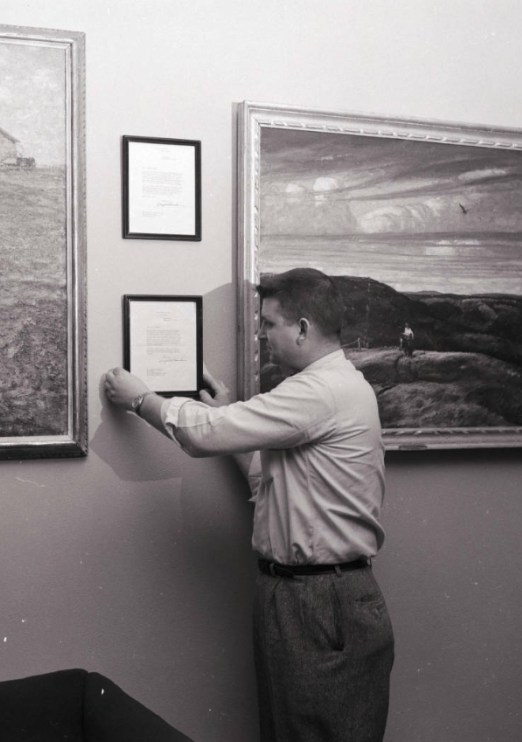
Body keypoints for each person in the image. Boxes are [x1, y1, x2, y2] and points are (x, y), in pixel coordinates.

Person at [102, 268, 394, 742]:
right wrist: (225, 415)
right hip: (304, 597)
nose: (261, 334)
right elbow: (272, 484)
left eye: (269, 323)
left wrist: (142, 401)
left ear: (302, 328)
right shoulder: (328, 387)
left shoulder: (318, 391)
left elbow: (202, 435)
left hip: (319, 600)